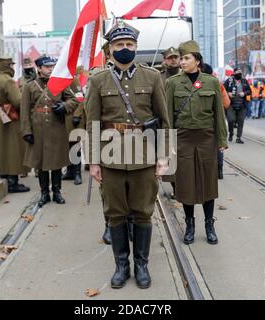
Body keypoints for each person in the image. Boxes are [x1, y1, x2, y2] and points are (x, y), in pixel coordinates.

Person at [86, 20, 170, 289]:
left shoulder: (152, 77)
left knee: (143, 213)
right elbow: (92, 123)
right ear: (110, 49)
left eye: (130, 44)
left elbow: (164, 120)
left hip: (144, 155)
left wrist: (164, 156)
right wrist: (93, 160)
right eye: (120, 44)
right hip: (110, 156)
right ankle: (121, 266)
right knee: (116, 214)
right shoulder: (98, 80)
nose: (125, 48)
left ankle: (141, 265)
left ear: (136, 47)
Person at [166, 41, 228, 246]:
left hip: (206, 139)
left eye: (186, 58)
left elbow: (219, 113)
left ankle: (210, 225)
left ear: (197, 60)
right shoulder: (173, 83)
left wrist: (222, 139)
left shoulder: (211, 82)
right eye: (181, 58)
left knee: (208, 182)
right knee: (186, 184)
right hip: (183, 139)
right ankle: (190, 225)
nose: (182, 62)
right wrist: (168, 142)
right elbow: (168, 115)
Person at [20, 55, 78, 206]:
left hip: (56, 128)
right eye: (47, 66)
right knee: (41, 164)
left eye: (52, 66)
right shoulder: (29, 86)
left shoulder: (59, 83)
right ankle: (44, 193)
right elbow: (24, 111)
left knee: (56, 163)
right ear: (39, 68)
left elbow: (73, 100)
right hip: (38, 129)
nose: (51, 69)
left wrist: (64, 107)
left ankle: (57, 192)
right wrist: (26, 131)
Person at [0, 57, 30, 193]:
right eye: (12, 65)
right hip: (12, 117)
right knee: (13, 150)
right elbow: (18, 101)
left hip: (0, 117)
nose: (13, 67)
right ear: (9, 66)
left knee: (2, 149)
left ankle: (3, 176)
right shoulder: (8, 80)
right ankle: (13, 182)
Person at [201, 63, 230, 180]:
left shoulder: (195, 84)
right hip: (216, 120)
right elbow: (227, 103)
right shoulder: (218, 84)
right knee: (218, 145)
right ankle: (219, 170)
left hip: (202, 123)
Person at [159, 47, 180, 199]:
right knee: (169, 158)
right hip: (164, 123)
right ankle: (175, 186)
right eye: (170, 57)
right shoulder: (158, 78)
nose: (173, 60)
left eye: (175, 57)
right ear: (164, 60)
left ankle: (182, 186)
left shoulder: (185, 76)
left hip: (181, 123)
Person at [62, 66, 85, 186]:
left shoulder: (73, 79)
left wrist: (77, 115)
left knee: (74, 146)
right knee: (67, 146)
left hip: (73, 118)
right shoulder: (60, 79)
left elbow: (80, 97)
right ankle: (70, 171)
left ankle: (77, 173)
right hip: (64, 117)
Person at [224, 67, 251, 143]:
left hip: (242, 104)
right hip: (231, 104)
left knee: (241, 120)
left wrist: (244, 93)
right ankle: (231, 133)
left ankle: (238, 137)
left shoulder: (244, 81)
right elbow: (222, 89)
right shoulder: (229, 81)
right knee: (231, 119)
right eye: (238, 72)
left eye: (241, 72)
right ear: (234, 73)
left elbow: (249, 91)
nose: (240, 73)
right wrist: (228, 93)